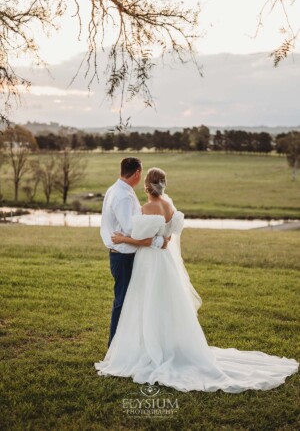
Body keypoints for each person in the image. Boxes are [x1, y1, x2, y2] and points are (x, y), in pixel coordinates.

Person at [95, 167, 299, 393]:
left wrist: (124, 237)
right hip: (164, 263)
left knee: (147, 302)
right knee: (165, 304)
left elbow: (143, 239)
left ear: (147, 185)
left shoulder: (147, 208)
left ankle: (149, 347)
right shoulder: (169, 205)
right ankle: (166, 343)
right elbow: (167, 236)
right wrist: (159, 240)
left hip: (150, 263)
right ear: (162, 184)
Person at [100, 158, 170, 348]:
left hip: (127, 253)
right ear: (138, 172)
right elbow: (133, 230)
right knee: (122, 302)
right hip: (123, 256)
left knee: (132, 302)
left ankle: (130, 344)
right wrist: (158, 240)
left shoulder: (118, 189)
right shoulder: (122, 195)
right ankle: (114, 347)